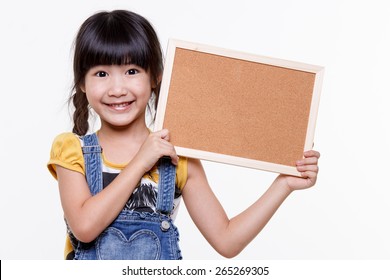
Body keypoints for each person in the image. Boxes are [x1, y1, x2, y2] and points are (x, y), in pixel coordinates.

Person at [47, 10, 320, 260]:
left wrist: (283, 184)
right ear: (82, 83)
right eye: (102, 73)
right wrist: (141, 161)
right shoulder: (72, 149)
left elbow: (227, 241)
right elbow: (84, 228)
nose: (117, 88)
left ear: (155, 77)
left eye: (132, 71)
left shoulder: (178, 157)